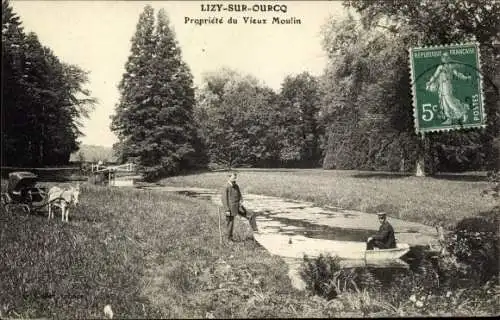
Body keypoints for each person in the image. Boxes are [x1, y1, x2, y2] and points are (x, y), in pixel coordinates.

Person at [425, 52, 472, 125]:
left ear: (448, 58)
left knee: (450, 101)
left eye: (446, 58)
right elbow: (435, 76)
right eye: (443, 58)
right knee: (444, 103)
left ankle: (463, 113)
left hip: (447, 85)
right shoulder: (440, 67)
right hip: (441, 86)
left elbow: (457, 74)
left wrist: (466, 77)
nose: (444, 59)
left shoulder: (451, 66)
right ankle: (449, 118)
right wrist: (429, 82)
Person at [221, 172, 258, 242]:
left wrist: (241, 201)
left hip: (238, 207)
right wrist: (227, 210)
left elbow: (240, 195)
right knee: (230, 223)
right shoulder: (226, 186)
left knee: (251, 215)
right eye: (233, 177)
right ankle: (229, 239)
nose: (235, 179)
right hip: (230, 209)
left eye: (235, 177)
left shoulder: (236, 186)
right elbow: (224, 199)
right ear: (229, 177)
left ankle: (256, 231)